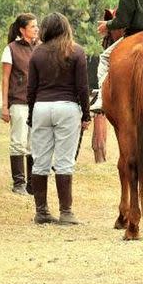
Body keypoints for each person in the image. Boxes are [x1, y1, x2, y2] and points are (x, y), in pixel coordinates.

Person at [27, 12, 90, 225]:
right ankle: (66, 212)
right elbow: (82, 87)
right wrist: (86, 115)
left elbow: (31, 89)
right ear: (65, 28)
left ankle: (41, 211)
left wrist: (30, 116)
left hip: (41, 108)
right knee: (64, 161)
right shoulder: (76, 52)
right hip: (67, 108)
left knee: (40, 161)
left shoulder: (36, 53)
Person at [1, 13, 39, 195]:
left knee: (34, 143)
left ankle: (32, 184)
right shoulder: (11, 49)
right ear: (23, 30)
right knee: (18, 142)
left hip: (37, 103)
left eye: (37, 26)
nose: (36, 29)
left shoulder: (40, 48)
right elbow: (5, 79)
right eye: (33, 27)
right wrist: (4, 105)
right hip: (18, 102)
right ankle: (18, 184)